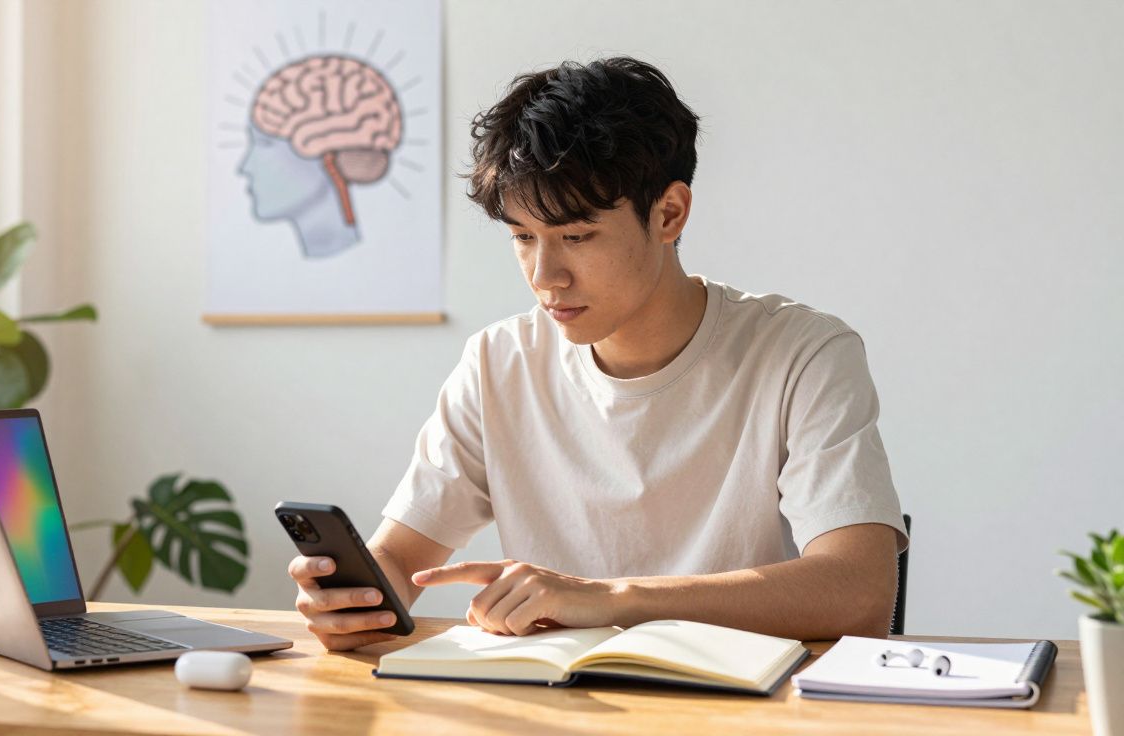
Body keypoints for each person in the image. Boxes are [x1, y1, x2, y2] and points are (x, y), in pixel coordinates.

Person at [288, 57, 908, 651]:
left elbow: (858, 592)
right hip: (553, 705)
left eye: (577, 237)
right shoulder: (498, 363)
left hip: (742, 708)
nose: (545, 275)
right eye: (523, 238)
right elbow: (398, 556)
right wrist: (358, 602)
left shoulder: (803, 354)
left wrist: (611, 599)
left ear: (669, 213)